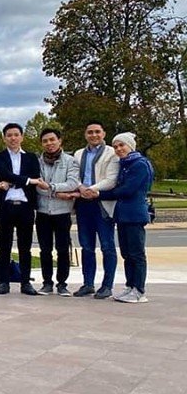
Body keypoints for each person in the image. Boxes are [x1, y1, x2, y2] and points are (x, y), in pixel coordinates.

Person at [84, 133, 154, 303]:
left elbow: (126, 190)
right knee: (127, 253)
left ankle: (139, 290)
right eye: (115, 147)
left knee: (136, 254)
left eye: (122, 145)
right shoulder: (126, 165)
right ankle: (130, 286)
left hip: (134, 215)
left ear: (131, 146)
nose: (118, 149)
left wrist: (98, 194)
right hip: (123, 215)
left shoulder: (139, 164)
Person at [0, 122, 43, 296]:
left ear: (22, 137)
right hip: (5, 206)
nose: (13, 138)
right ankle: (4, 282)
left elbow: (35, 175)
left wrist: (14, 182)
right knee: (4, 246)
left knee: (25, 246)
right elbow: (4, 173)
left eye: (16, 134)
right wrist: (27, 181)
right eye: (9, 135)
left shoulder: (31, 157)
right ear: (4, 138)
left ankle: (25, 282)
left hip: (25, 207)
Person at [71, 121, 119, 299]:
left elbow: (112, 178)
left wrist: (93, 190)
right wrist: (81, 187)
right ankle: (88, 283)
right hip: (84, 204)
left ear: (103, 133)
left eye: (97, 132)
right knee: (86, 246)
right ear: (85, 134)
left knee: (107, 246)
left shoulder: (111, 153)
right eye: (90, 132)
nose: (94, 135)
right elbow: (73, 175)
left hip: (101, 203)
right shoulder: (78, 154)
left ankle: (107, 285)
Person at [35, 128, 80, 296]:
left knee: (62, 249)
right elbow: (38, 187)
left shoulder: (70, 161)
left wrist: (51, 187)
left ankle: (62, 283)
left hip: (62, 212)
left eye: (52, 139)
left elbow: (72, 183)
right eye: (45, 141)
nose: (49, 143)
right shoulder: (38, 162)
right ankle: (47, 282)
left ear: (59, 140)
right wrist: (57, 193)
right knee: (44, 249)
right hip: (43, 211)